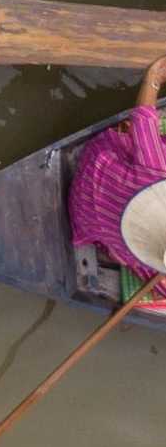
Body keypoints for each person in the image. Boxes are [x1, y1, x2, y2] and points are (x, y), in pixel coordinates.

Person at [68, 53, 166, 280]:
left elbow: (143, 118)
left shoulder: (158, 171)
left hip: (94, 180)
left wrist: (153, 78)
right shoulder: (158, 171)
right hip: (89, 217)